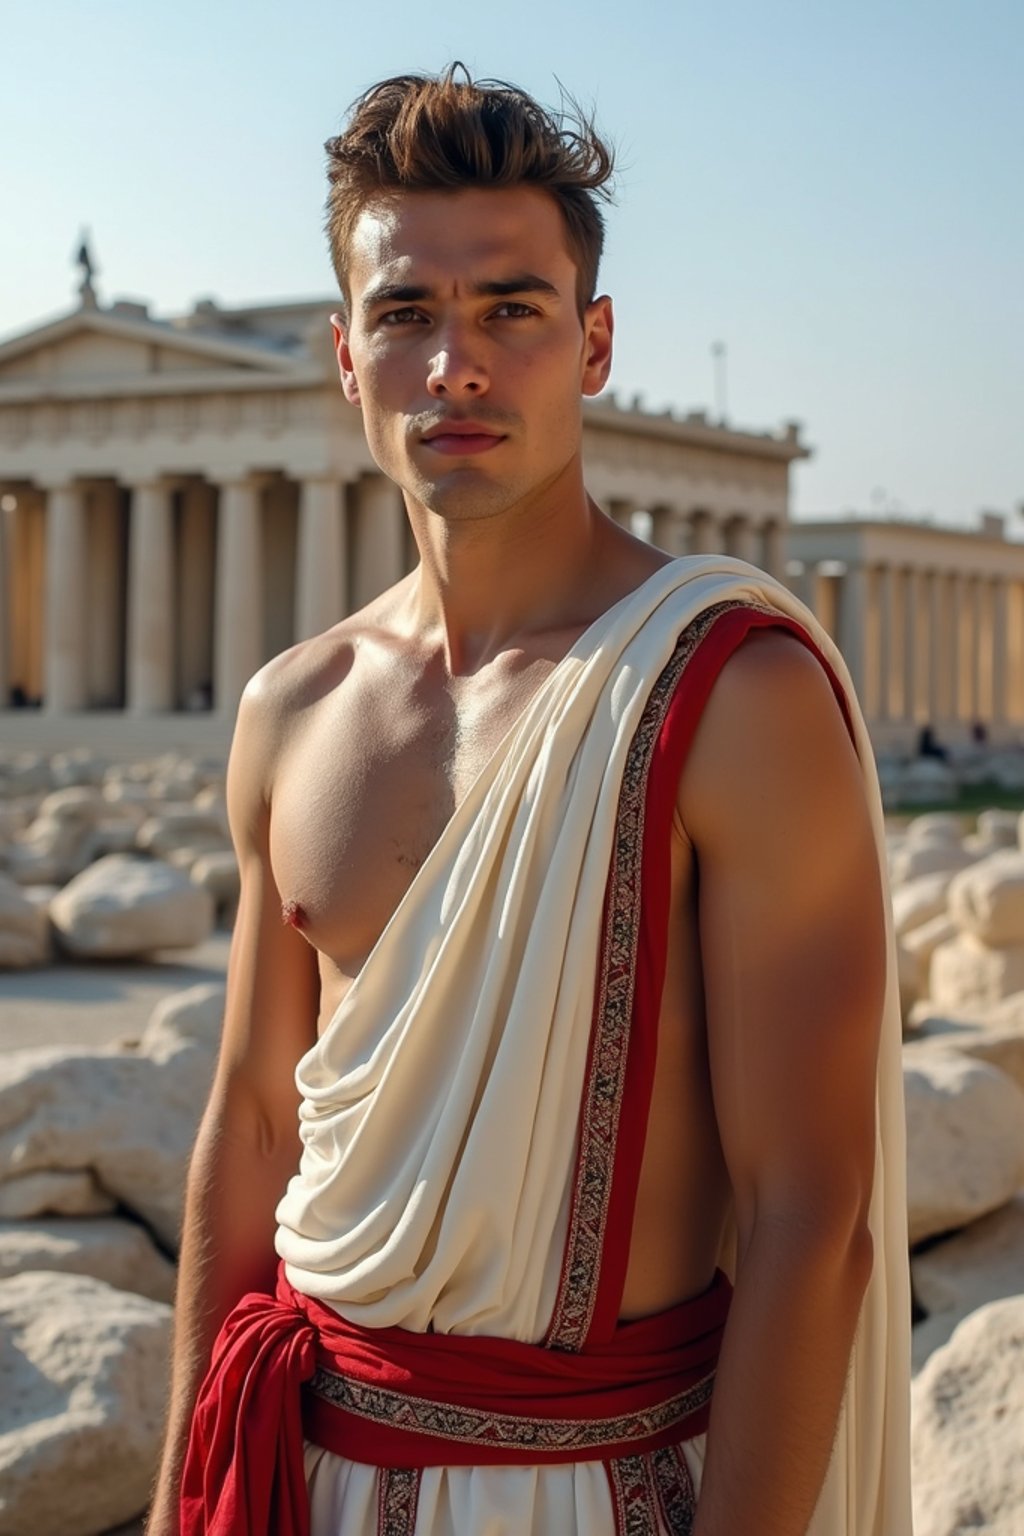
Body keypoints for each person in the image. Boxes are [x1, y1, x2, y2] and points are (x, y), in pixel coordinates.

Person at [148, 65, 912, 1536]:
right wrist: (191, 1480)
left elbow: (813, 1224)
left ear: (595, 341)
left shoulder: (727, 695)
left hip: (588, 1489)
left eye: (512, 309)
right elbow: (249, 1124)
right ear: (345, 355)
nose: (459, 368)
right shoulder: (291, 712)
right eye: (407, 315)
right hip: (302, 1474)